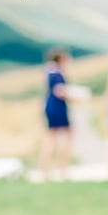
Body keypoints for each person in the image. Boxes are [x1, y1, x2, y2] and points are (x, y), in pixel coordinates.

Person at [38, 49, 72, 181]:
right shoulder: (57, 74)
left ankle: (46, 169)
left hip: (51, 107)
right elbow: (60, 91)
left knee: (50, 137)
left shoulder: (49, 72)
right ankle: (62, 168)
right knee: (63, 137)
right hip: (58, 108)